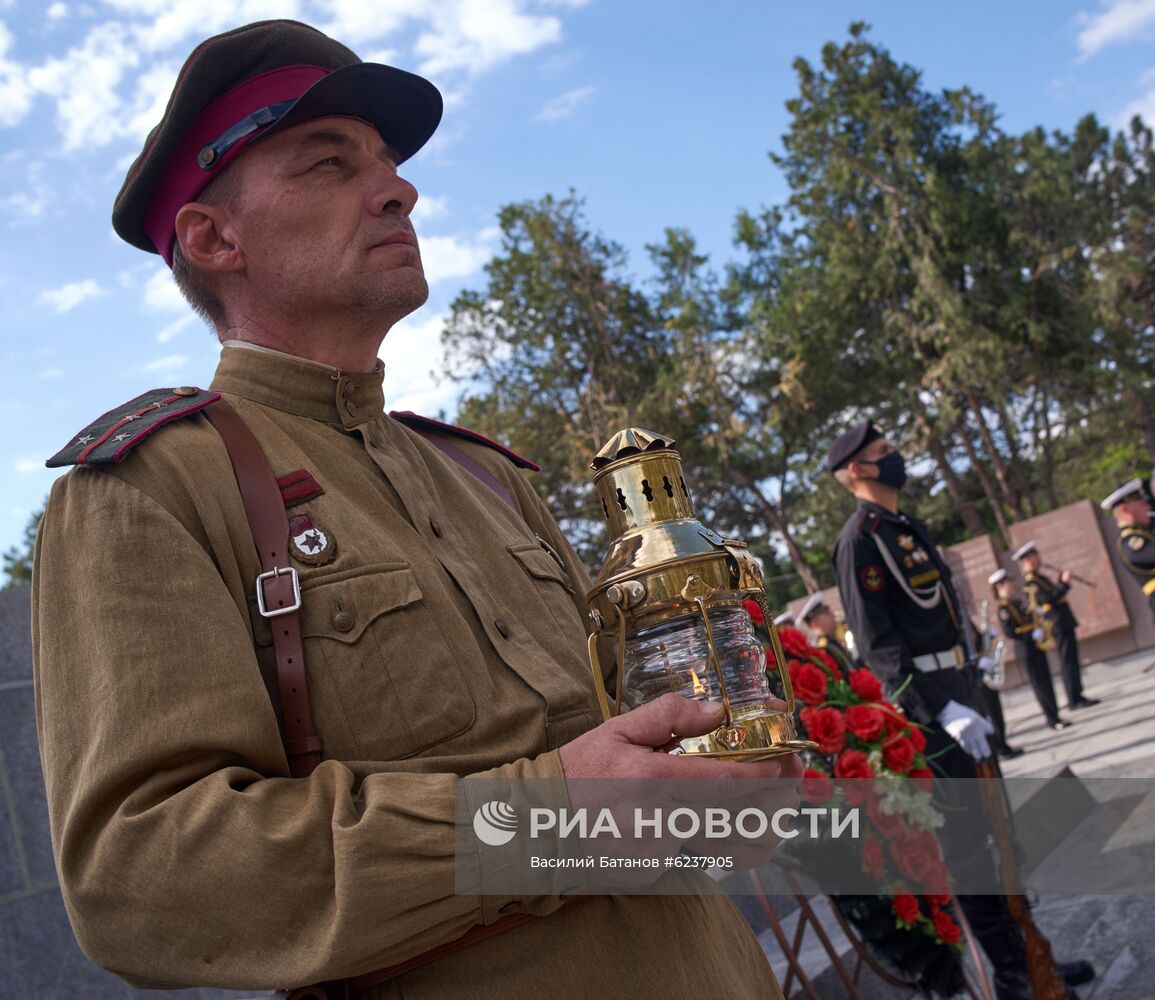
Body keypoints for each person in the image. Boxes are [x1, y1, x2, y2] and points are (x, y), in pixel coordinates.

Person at [32, 20, 801, 1000]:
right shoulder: (148, 489)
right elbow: (141, 880)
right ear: (212, 237)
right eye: (328, 162)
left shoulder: (485, 473)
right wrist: (548, 819)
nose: (398, 188)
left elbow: (625, 762)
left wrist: (719, 772)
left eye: (388, 163)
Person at [827, 419, 1092, 999]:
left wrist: (969, 689)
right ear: (855, 471)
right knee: (972, 845)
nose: (895, 458)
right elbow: (879, 649)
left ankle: (1031, 952)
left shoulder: (905, 527)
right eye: (883, 452)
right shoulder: (860, 540)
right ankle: (1014, 975)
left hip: (964, 690)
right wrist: (939, 710)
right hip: (934, 712)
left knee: (1001, 832)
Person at [1012, 541, 1099, 711]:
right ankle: (1073, 698)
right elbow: (1048, 599)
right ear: (1027, 560)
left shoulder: (1039, 577)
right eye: (1034, 556)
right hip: (1057, 624)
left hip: (1063, 621)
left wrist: (1060, 581)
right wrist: (1064, 583)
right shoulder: (1031, 581)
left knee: (1071, 659)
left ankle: (1077, 694)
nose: (1038, 559)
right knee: (1067, 661)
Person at [990, 569, 1069, 732]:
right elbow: (1010, 632)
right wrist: (1030, 634)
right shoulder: (1004, 608)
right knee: (1040, 685)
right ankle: (1051, 718)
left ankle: (1056, 715)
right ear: (1000, 586)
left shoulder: (1017, 602)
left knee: (1047, 682)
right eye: (1008, 583)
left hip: (1036, 646)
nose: (1012, 585)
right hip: (1026, 649)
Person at [1101, 477, 1155, 626]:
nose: (1148, 507)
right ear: (1125, 509)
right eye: (1142, 503)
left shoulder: (1146, 534)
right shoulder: (1131, 542)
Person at [797, 591, 855, 679]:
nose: (832, 614)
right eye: (826, 613)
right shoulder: (822, 648)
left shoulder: (832, 641)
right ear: (814, 623)